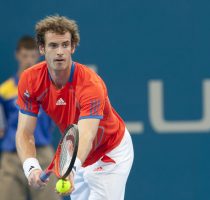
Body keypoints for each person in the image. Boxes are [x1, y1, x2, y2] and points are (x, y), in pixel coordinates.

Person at [15, 15, 134, 200]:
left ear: (73, 47)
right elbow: (24, 132)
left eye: (65, 45)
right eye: (53, 45)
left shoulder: (90, 83)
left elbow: (87, 134)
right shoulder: (30, 80)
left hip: (109, 153)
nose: (60, 52)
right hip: (75, 155)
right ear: (42, 48)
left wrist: (71, 167)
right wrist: (31, 167)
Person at [0, 36, 60, 200]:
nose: (28, 60)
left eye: (32, 56)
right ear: (17, 55)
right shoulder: (4, 91)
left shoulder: (50, 88)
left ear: (38, 56)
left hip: (42, 153)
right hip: (11, 157)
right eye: (25, 55)